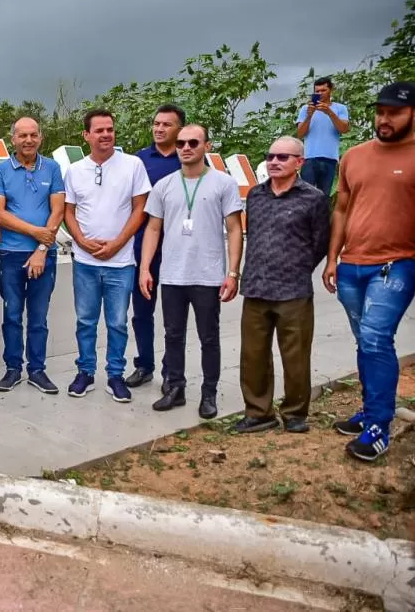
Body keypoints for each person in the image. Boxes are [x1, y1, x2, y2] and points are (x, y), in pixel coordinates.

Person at [323, 81, 415, 462]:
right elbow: (342, 209)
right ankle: (371, 409)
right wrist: (332, 258)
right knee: (366, 342)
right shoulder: (355, 156)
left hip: (397, 264)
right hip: (351, 266)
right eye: (380, 111)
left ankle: (379, 425)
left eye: (394, 112)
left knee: (377, 339)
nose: (384, 119)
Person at [140, 124, 243, 419]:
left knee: (208, 337)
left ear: (206, 146)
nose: (186, 148)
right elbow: (153, 228)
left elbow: (235, 228)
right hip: (172, 274)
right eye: (182, 143)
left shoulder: (223, 183)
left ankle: (209, 392)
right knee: (173, 335)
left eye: (193, 143)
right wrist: (146, 268)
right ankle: (176, 388)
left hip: (208, 275)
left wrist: (233, 273)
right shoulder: (165, 185)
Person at [234, 137, 330, 435]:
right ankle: (259, 413)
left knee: (296, 357)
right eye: (270, 156)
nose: (274, 162)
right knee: (253, 356)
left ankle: (295, 413)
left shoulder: (313, 198)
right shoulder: (256, 195)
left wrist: (298, 267)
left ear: (299, 162)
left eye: (283, 157)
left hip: (293, 292)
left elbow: (320, 242)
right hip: (256, 288)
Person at [63, 109, 151, 403]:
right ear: (86, 135)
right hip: (85, 262)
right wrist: (82, 241)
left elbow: (140, 208)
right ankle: (85, 372)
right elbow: (69, 212)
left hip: (121, 262)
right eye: (99, 130)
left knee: (117, 323)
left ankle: (115, 376)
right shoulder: (75, 170)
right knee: (85, 321)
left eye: (110, 129)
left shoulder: (133, 165)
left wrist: (117, 243)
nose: (106, 135)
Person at [0, 117, 64, 393]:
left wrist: (42, 248)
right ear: (13, 139)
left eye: (33, 135)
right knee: (11, 315)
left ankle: (37, 370)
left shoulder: (53, 168)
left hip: (45, 255)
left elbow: (58, 211)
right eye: (22, 136)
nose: (28, 140)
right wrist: (36, 233)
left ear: (40, 137)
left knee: (38, 317)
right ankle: (12, 369)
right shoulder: (1, 171)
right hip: (11, 254)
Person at [126, 104, 184, 391]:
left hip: (179, 249)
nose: (159, 129)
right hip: (143, 247)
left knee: (174, 315)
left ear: (179, 129)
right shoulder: (138, 161)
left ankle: (172, 371)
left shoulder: (187, 158)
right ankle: (144, 365)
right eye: (156, 123)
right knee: (141, 311)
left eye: (167, 125)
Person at [296, 76, 350, 197]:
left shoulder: (340, 108)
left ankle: (322, 216)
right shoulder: (306, 109)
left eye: (323, 90)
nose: (320, 93)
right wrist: (309, 116)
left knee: (323, 196)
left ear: (331, 90)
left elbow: (344, 129)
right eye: (317, 91)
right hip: (309, 158)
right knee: (305, 196)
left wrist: (329, 112)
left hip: (330, 158)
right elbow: (300, 134)